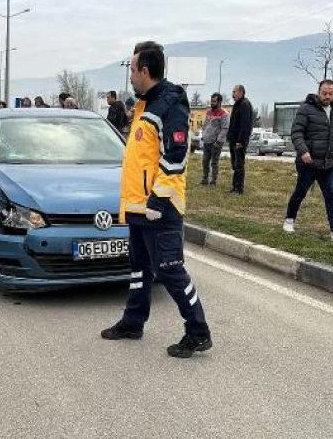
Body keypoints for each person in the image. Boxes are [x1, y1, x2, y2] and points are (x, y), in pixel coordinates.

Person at [101, 41, 212, 359]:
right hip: (139, 208)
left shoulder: (169, 105)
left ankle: (198, 332)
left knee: (170, 270)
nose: (131, 76)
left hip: (159, 209)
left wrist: (158, 202)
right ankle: (133, 323)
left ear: (145, 71)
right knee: (139, 268)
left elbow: (175, 158)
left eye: (132, 70)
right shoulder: (144, 104)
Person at [283, 80, 333, 242]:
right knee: (300, 192)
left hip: (329, 163)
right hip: (309, 162)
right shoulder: (306, 109)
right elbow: (296, 132)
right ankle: (289, 220)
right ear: (318, 92)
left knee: (331, 194)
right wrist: (303, 151)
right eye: (324, 93)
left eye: (331, 93)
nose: (327, 96)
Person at [227, 84, 253, 195]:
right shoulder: (237, 104)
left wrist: (240, 140)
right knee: (234, 164)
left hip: (239, 141)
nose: (233, 94)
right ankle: (234, 187)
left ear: (241, 92)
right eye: (232, 92)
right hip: (233, 140)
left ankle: (239, 189)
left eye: (234, 92)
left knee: (239, 165)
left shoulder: (245, 104)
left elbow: (245, 124)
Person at [200, 93, 230, 186]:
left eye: (214, 101)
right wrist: (203, 135)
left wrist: (218, 141)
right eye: (211, 101)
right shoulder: (209, 112)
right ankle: (205, 179)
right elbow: (205, 125)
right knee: (205, 161)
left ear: (219, 102)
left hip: (216, 142)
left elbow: (225, 128)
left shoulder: (224, 114)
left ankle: (213, 181)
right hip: (206, 141)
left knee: (214, 162)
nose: (212, 103)